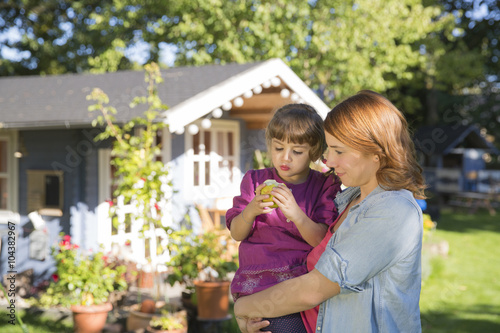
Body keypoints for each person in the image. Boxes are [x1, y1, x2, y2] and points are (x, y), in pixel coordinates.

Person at [234, 90, 427, 333]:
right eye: (329, 150)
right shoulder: (348, 200)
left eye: (339, 151)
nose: (328, 162)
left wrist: (243, 308)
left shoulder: (392, 210)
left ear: (376, 153)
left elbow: (314, 289)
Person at [226, 103, 342, 332]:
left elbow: (321, 240)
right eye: (278, 148)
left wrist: (296, 214)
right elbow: (236, 233)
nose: (285, 158)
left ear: (315, 152)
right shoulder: (254, 181)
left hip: (297, 285)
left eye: (297, 152)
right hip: (257, 282)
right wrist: (250, 211)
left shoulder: (323, 185)